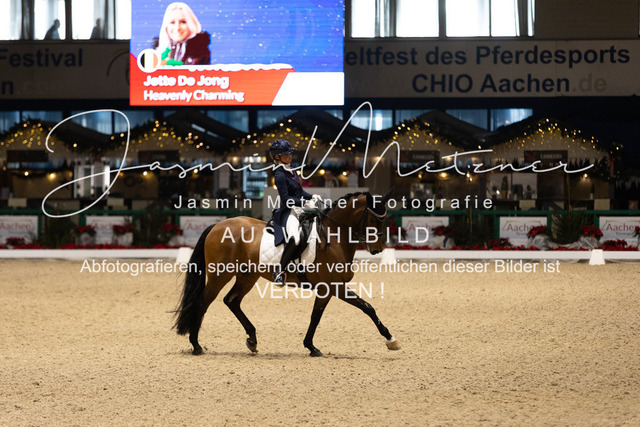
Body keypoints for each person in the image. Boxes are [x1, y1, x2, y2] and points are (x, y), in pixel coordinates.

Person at [269, 139, 321, 285]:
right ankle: (279, 271)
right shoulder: (279, 175)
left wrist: (312, 196)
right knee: (295, 238)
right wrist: (304, 203)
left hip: (300, 209)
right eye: (286, 154)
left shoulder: (292, 171)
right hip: (289, 211)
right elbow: (286, 199)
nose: (290, 156)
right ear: (277, 157)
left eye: (290, 153)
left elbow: (300, 192)